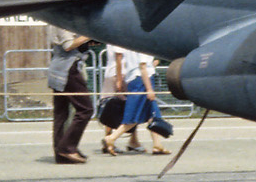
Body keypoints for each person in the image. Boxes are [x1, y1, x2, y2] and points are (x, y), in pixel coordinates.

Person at [100, 45, 169, 156]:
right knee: (133, 116)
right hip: (141, 79)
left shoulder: (130, 42)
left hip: (135, 77)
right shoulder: (143, 43)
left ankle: (157, 145)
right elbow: (142, 66)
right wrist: (149, 89)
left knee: (153, 114)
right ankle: (112, 138)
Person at [49, 28, 95, 164]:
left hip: (58, 68)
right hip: (68, 69)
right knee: (85, 109)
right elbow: (68, 45)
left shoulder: (55, 21)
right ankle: (67, 148)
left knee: (61, 113)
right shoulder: (62, 23)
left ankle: (60, 152)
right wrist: (89, 35)